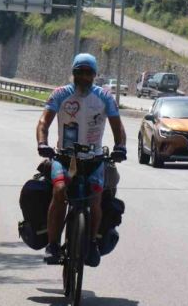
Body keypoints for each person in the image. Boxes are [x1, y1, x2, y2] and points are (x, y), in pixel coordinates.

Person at [36, 53, 127, 267]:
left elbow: (118, 126)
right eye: (80, 72)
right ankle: (52, 245)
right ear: (73, 73)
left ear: (95, 75)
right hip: (64, 158)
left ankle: (93, 242)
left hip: (94, 160)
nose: (84, 77)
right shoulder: (60, 94)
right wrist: (43, 143)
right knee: (59, 192)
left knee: (95, 198)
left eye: (89, 73)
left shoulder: (105, 97)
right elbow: (43, 122)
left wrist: (120, 147)